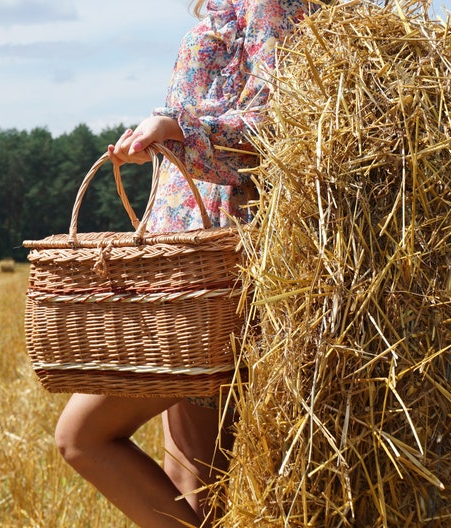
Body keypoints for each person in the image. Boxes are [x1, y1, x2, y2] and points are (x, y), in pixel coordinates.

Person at [54, 1, 318, 526]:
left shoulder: (272, 5)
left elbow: (274, 129)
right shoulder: (231, 5)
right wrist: (156, 139)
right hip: (182, 262)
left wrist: (176, 127)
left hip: (218, 262)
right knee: (197, 490)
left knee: (80, 436)